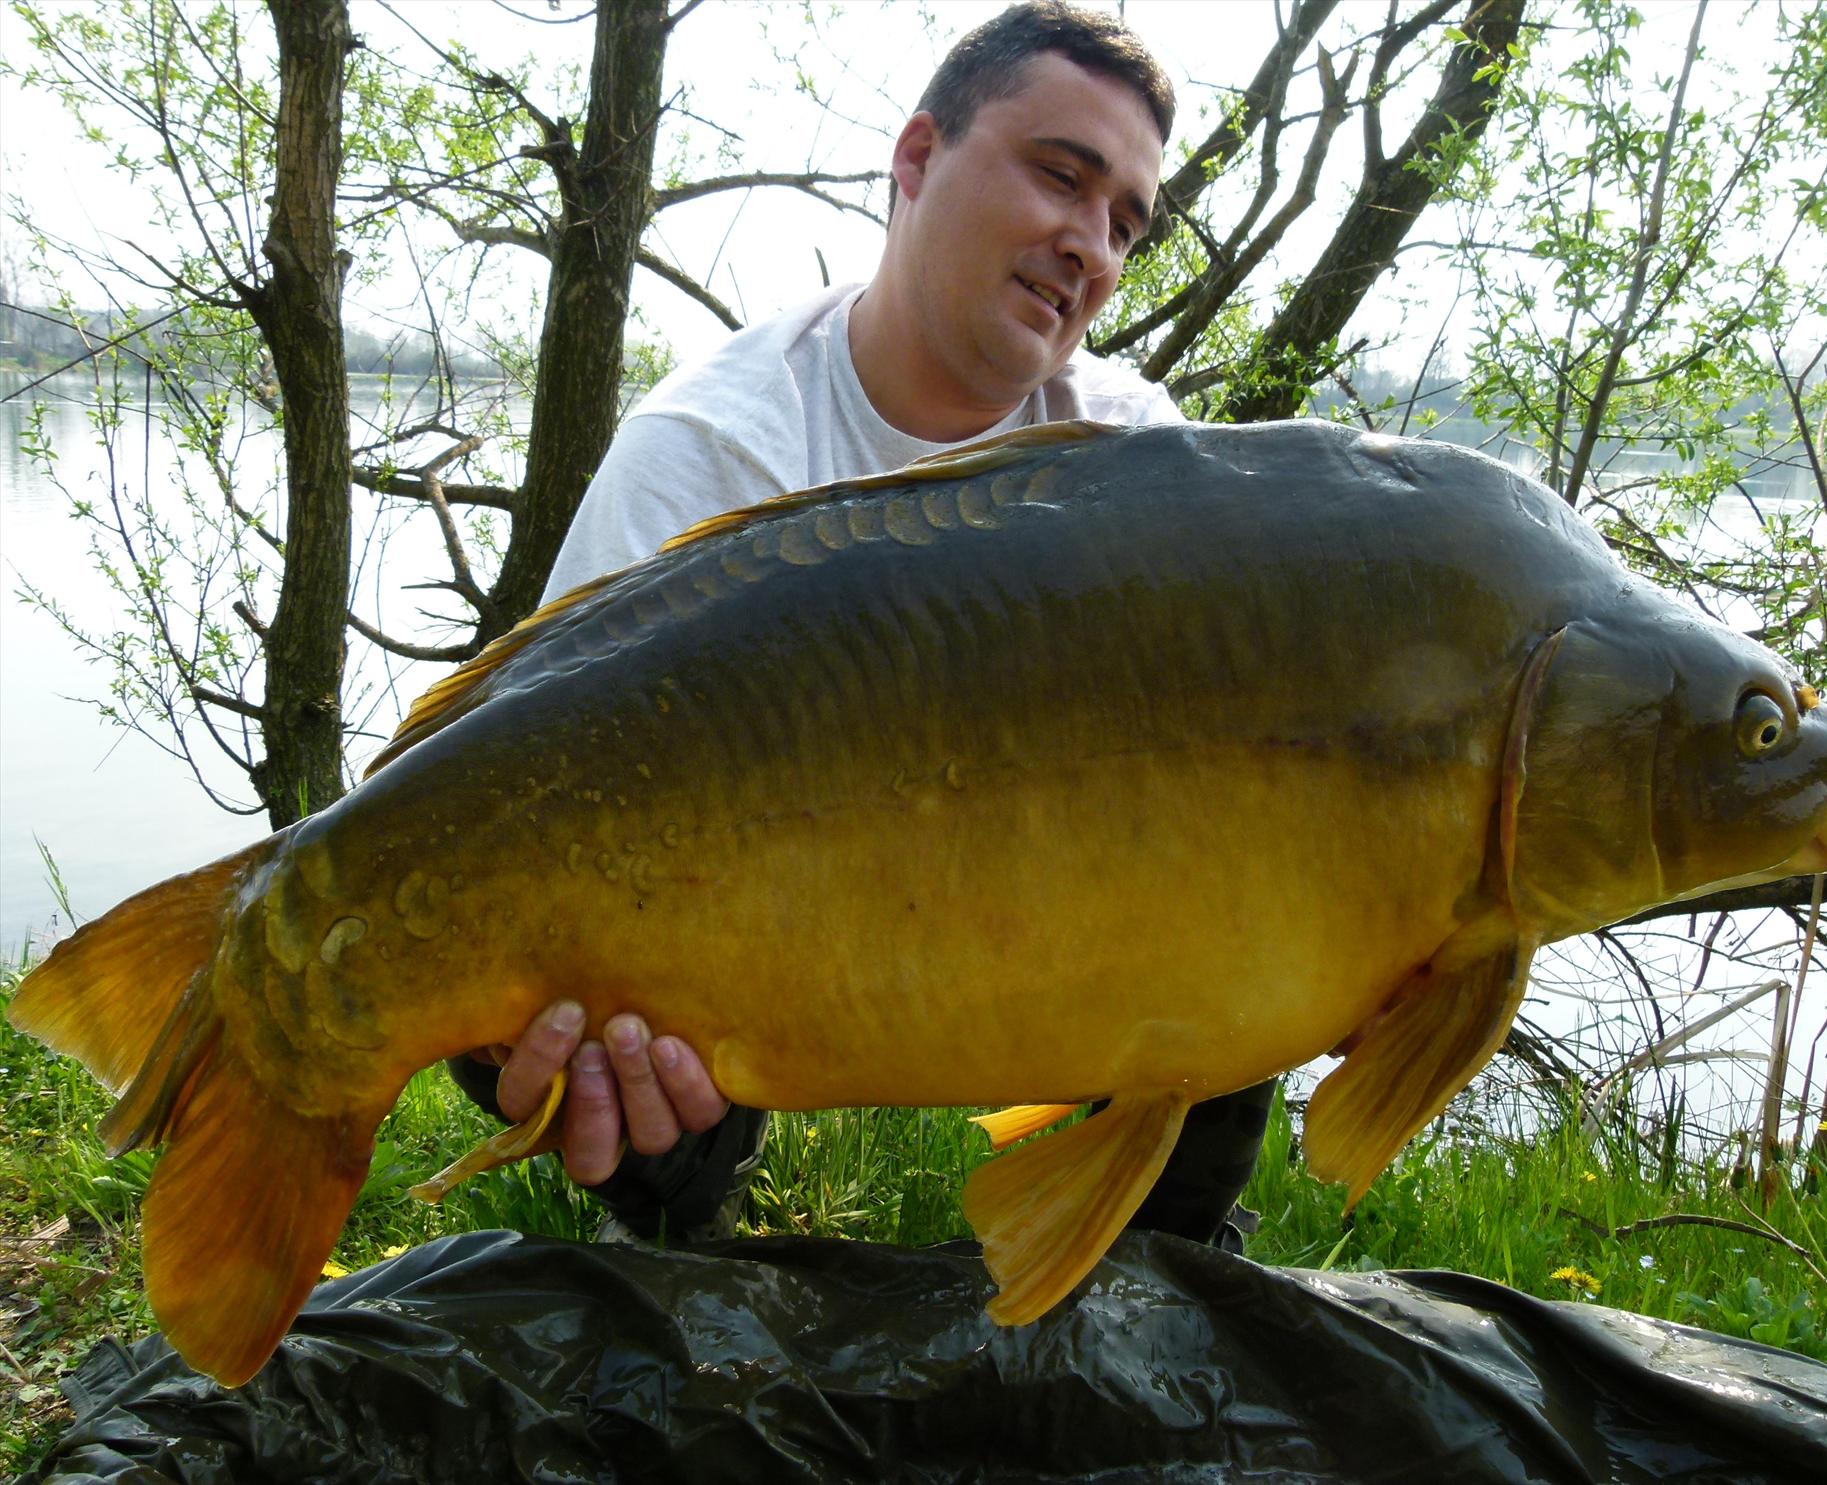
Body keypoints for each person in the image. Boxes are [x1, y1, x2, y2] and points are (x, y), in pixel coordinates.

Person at [448, 0, 1273, 1251]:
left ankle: (1152, 1285)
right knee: (563, 1025)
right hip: (750, 904)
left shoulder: (1133, 456)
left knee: (1247, 914)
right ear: (917, 157)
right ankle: (684, 1250)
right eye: (1062, 176)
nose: (1090, 248)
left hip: (1036, 898)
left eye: (1124, 224)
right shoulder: (715, 449)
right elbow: (535, 782)